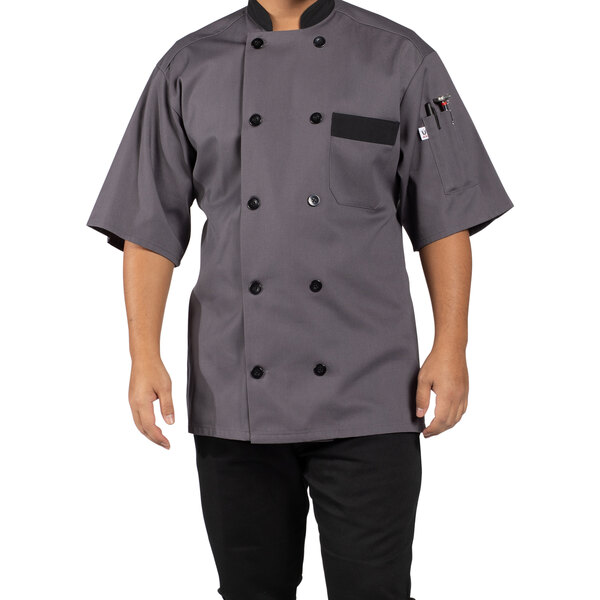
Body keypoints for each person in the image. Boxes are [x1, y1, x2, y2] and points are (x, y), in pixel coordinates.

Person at [86, 0, 514, 598]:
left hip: (373, 390)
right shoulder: (188, 65)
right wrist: (143, 356)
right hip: (235, 392)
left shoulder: (400, 58)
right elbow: (147, 225)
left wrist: (452, 347)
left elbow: (445, 219)